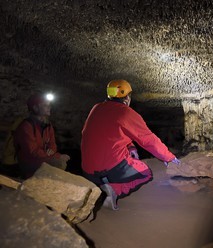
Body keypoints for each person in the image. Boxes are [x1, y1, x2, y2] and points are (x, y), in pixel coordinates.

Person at [81, 79, 180, 210]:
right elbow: (149, 140)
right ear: (127, 97)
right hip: (112, 169)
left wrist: (131, 147)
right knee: (145, 173)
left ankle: (102, 184)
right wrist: (169, 158)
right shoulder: (126, 112)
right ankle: (115, 190)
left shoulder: (96, 108)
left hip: (88, 172)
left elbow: (109, 134)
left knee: (117, 159)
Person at [13, 93, 70, 179]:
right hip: (28, 162)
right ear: (35, 108)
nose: (49, 107)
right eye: (45, 105)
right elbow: (33, 152)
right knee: (59, 163)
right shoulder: (26, 126)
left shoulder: (48, 125)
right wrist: (56, 156)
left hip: (42, 158)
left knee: (60, 162)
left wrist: (52, 150)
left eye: (49, 105)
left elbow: (52, 143)